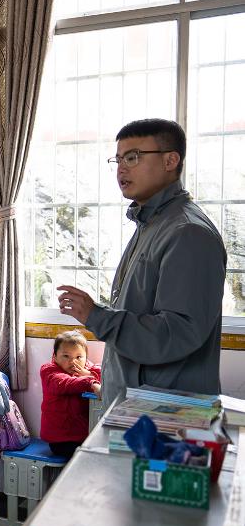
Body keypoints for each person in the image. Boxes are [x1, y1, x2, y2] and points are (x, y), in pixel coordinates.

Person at [57, 119, 226, 408]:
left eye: (133, 157)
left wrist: (98, 316)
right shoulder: (151, 224)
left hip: (166, 413)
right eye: (118, 159)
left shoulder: (187, 233)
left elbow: (176, 333)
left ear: (170, 160)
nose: (122, 169)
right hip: (138, 406)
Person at [40, 331, 101, 459]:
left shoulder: (86, 369)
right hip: (60, 440)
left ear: (86, 358)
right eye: (66, 356)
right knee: (92, 457)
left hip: (83, 435)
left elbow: (103, 372)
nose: (73, 362)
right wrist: (91, 382)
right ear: (55, 356)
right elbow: (66, 383)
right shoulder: (49, 371)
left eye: (79, 357)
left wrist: (89, 374)